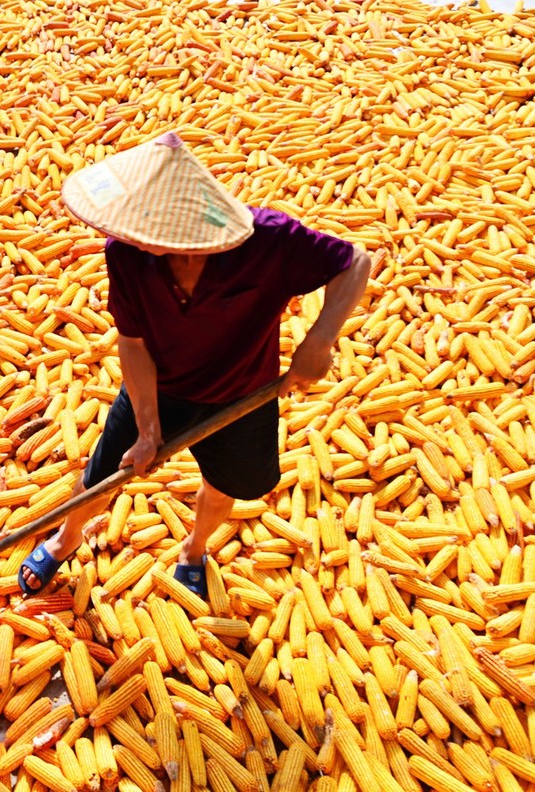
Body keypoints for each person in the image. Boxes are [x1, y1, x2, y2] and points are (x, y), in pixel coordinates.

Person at [18, 130, 371, 598]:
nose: (127, 236)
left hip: (243, 394)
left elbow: (356, 262)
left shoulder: (270, 240)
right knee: (100, 480)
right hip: (160, 387)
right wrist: (148, 429)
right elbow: (133, 344)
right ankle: (66, 539)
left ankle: (194, 548)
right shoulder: (127, 254)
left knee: (225, 485)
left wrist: (320, 340)